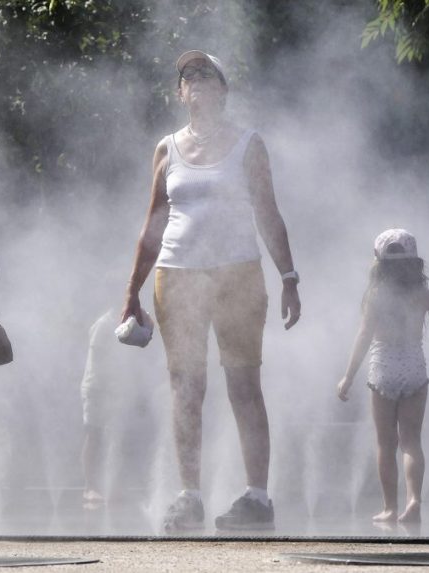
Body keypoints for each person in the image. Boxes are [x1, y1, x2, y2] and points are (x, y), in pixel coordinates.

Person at [120, 50, 301, 532]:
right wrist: (132, 291)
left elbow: (269, 212)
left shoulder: (248, 144)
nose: (196, 81)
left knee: (244, 385)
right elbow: (153, 223)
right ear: (180, 93)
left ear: (223, 89)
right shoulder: (167, 149)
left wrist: (288, 277)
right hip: (176, 275)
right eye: (187, 76)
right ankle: (189, 496)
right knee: (185, 388)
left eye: (206, 74)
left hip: (237, 273)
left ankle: (257, 497)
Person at [337, 229, 429, 523]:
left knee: (385, 444)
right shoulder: (423, 295)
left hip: (383, 366)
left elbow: (364, 336)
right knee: (411, 441)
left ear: (379, 263)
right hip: (413, 365)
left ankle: (390, 507)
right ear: (415, 263)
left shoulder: (374, 296)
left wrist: (348, 376)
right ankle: (414, 500)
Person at [80, 308, 162, 509]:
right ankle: (90, 487)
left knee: (118, 437)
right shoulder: (104, 324)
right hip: (98, 387)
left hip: (118, 389)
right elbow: (99, 362)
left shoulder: (130, 321)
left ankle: (112, 484)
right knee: (95, 435)